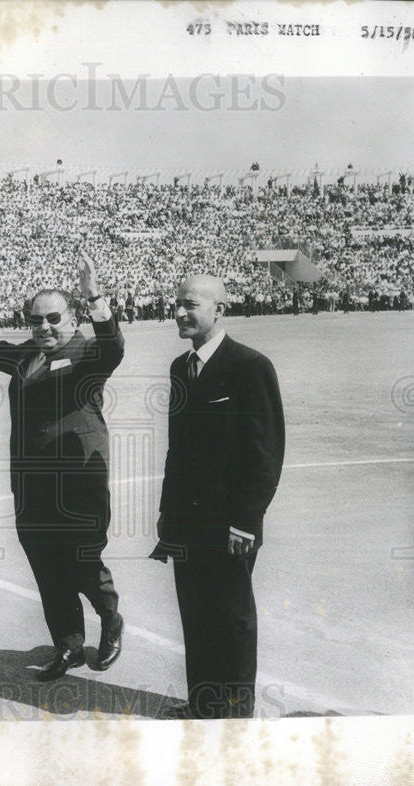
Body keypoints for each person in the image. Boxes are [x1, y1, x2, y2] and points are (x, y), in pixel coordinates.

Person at [0, 251, 125, 681]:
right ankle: (68, 646)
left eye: (53, 318)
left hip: (79, 481)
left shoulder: (88, 353)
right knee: (47, 567)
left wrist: (95, 296)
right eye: (35, 320)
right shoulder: (27, 354)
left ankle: (110, 619)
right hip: (31, 485)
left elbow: (114, 348)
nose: (43, 327)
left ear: (73, 318)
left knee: (82, 562)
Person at [151, 274, 285, 719]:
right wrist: (167, 514)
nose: (179, 314)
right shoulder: (181, 367)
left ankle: (235, 714)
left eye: (189, 305)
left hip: (230, 523)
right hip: (188, 521)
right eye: (176, 305)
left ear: (219, 309)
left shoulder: (249, 366)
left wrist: (246, 521)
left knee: (231, 619)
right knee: (195, 615)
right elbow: (178, 451)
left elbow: (265, 451)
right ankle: (203, 706)